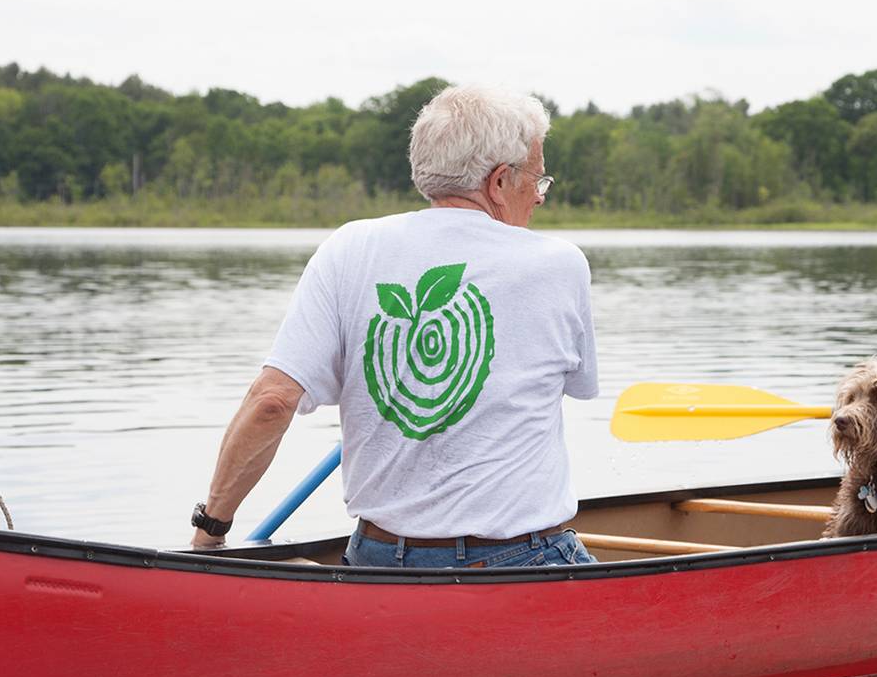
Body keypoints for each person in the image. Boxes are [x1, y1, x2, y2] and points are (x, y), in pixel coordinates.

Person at [189, 84, 600, 567]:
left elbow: (272, 402)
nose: (540, 197)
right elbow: (574, 385)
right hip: (517, 559)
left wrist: (210, 532)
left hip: (376, 557)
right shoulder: (559, 264)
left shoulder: (348, 248)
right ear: (500, 182)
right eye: (538, 179)